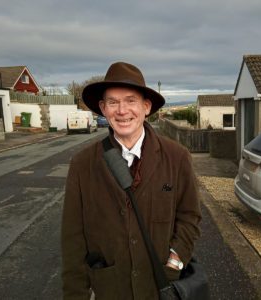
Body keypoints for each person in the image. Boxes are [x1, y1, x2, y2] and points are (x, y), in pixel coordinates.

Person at [61, 62, 201, 300]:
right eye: (113, 102)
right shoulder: (82, 165)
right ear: (103, 109)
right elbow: (72, 238)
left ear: (146, 107)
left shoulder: (177, 157)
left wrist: (175, 264)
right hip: (109, 290)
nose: (122, 110)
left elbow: (190, 217)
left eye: (130, 100)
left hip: (160, 288)